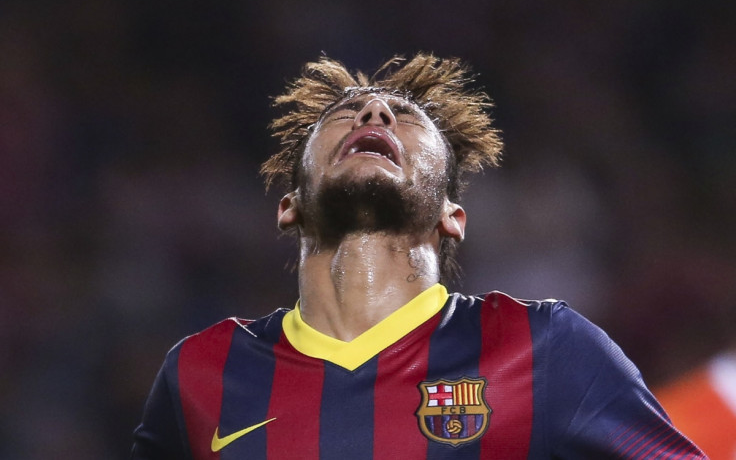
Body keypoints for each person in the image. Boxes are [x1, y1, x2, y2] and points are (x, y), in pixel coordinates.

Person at [131, 54, 706, 459]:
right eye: (342, 117)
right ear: (290, 205)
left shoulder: (544, 350)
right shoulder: (203, 373)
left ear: (451, 216)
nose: (374, 115)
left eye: (403, 118)